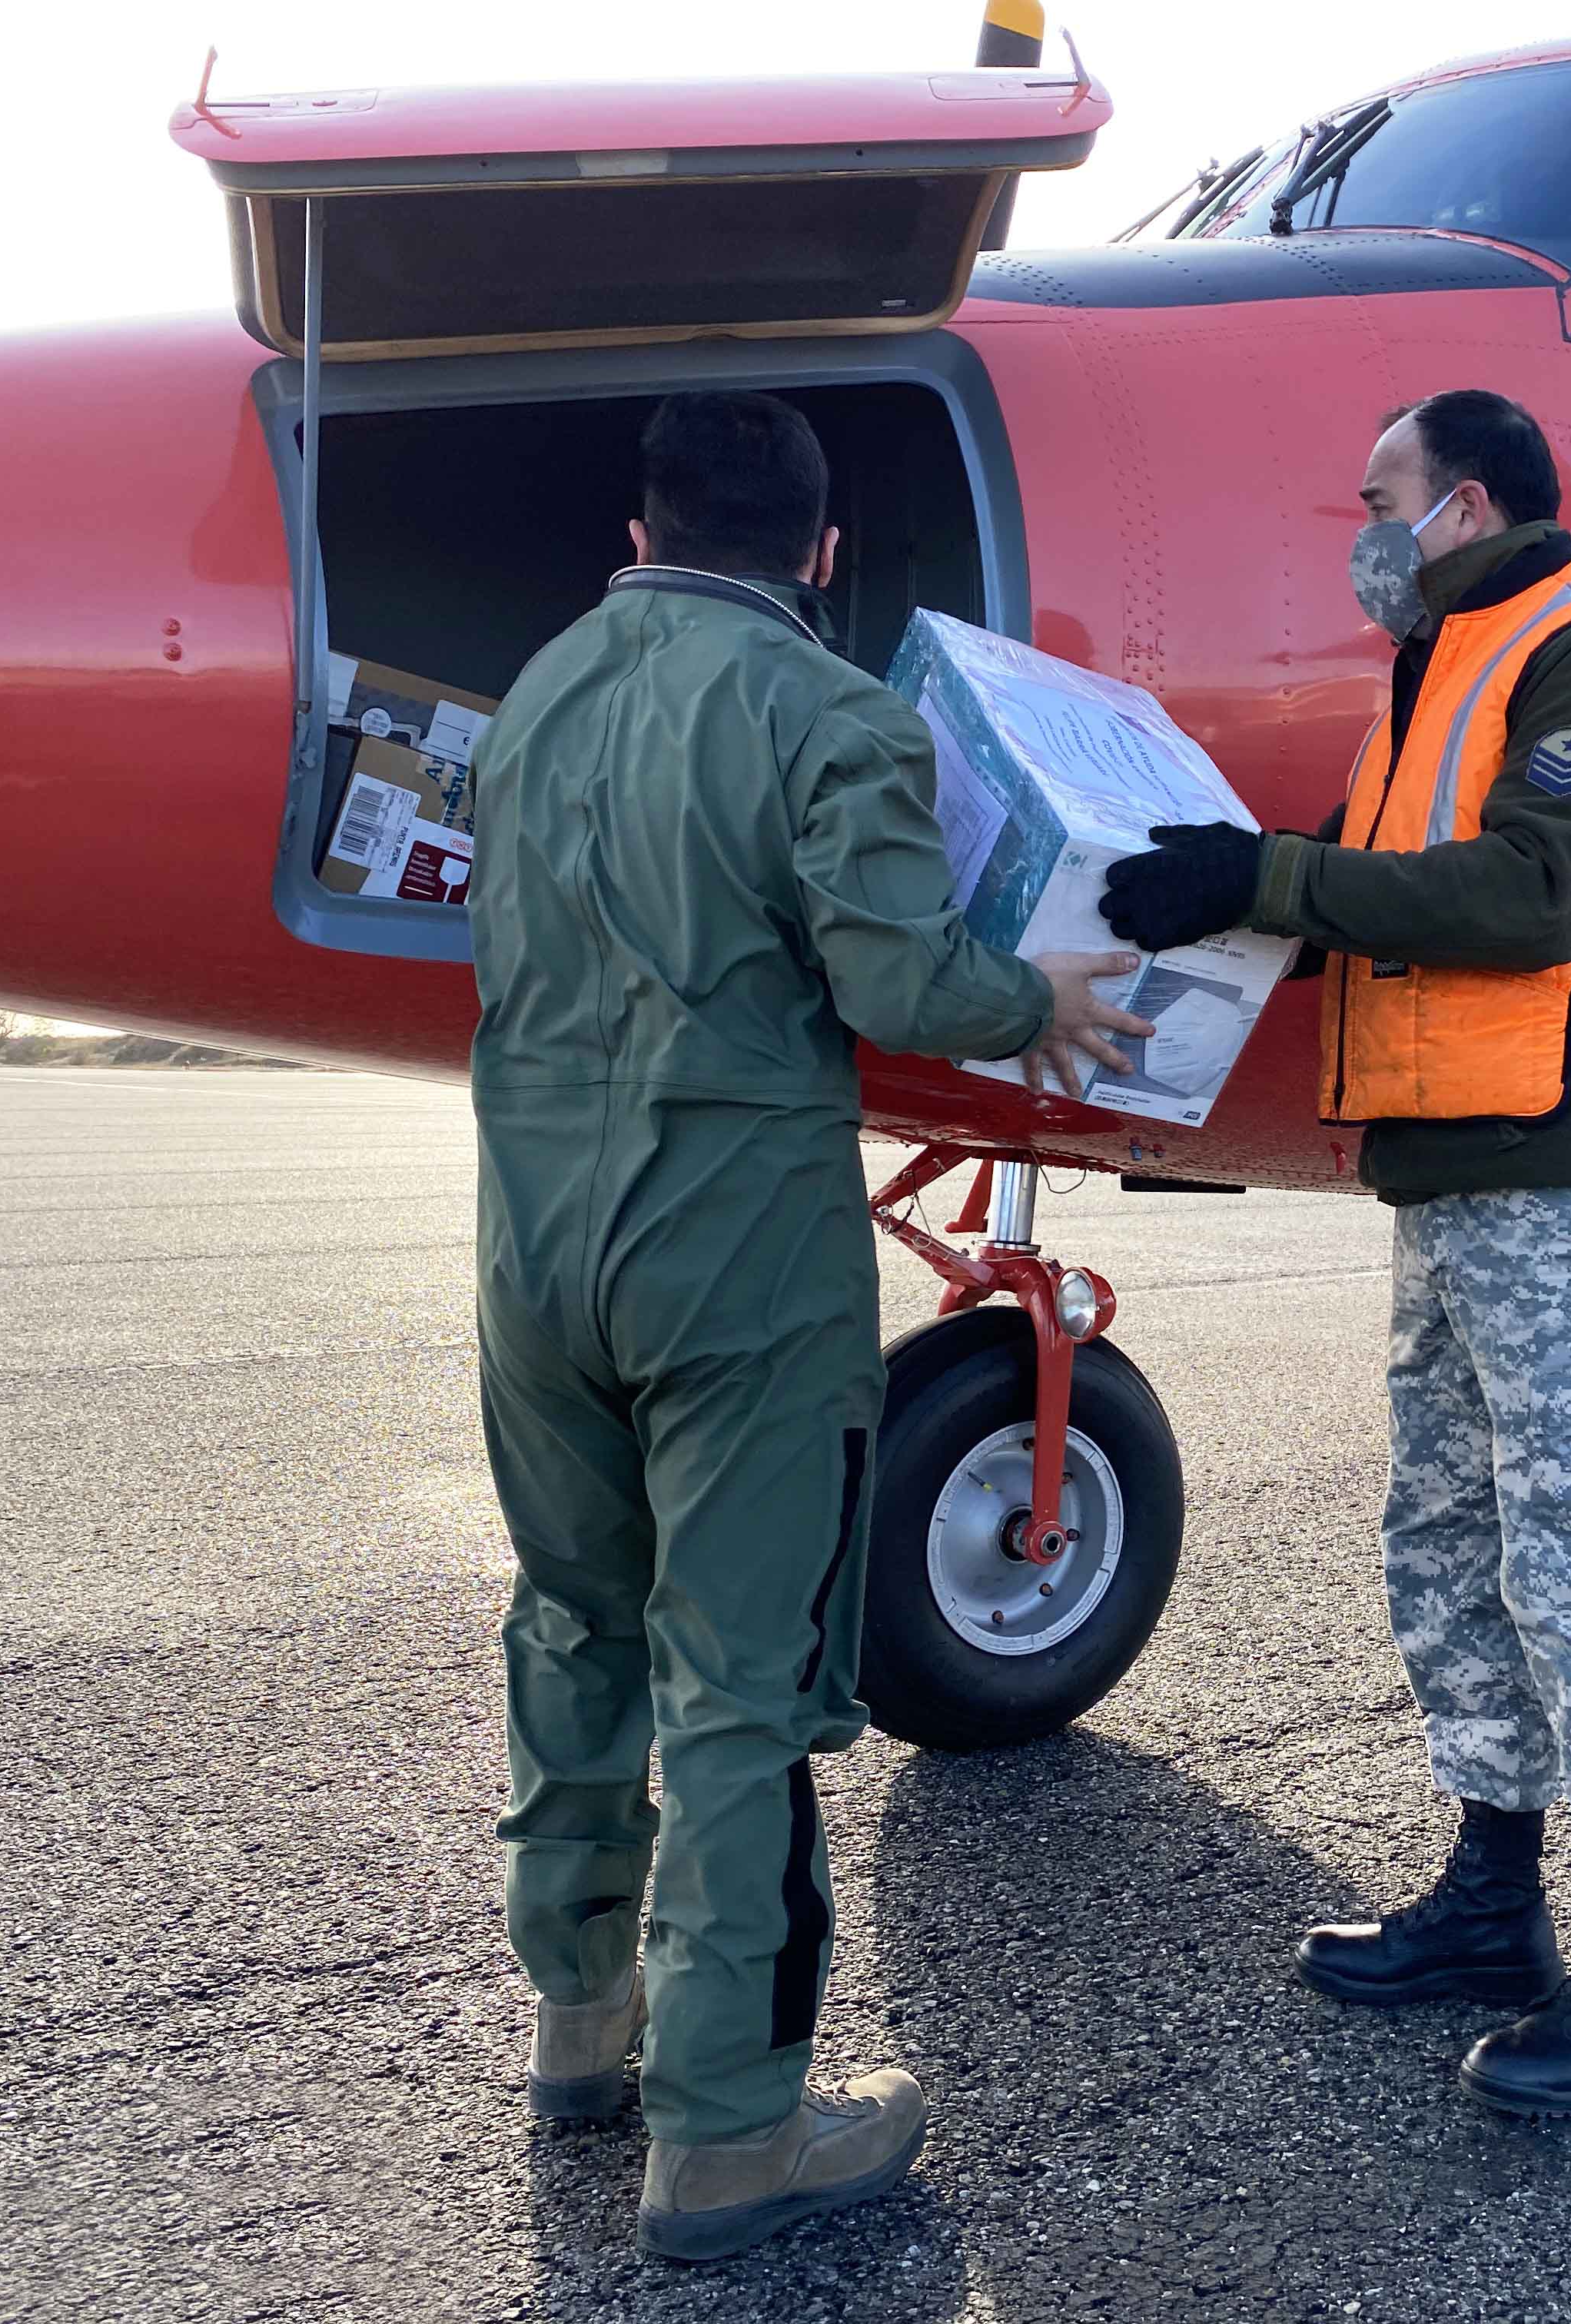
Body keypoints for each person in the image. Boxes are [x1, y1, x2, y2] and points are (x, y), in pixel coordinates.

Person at [468, 390, 1151, 2259]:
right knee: (743, 1691)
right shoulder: (838, 716)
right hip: (735, 1255)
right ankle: (730, 2133)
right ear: (821, 553)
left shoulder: (533, 699)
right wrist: (1048, 998)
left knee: (575, 1619)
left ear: (639, 533)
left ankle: (578, 2026)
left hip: (531, 1239)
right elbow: (900, 975)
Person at [1101, 387, 1571, 2116]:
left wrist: (1275, 876)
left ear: (1461, 503)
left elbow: (1532, 897)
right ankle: (1493, 1900)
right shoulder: (1438, 675)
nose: (1360, 533)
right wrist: (1224, 898)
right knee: (1451, 1540)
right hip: (1456, 1188)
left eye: (1376, 498)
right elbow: (1387, 910)